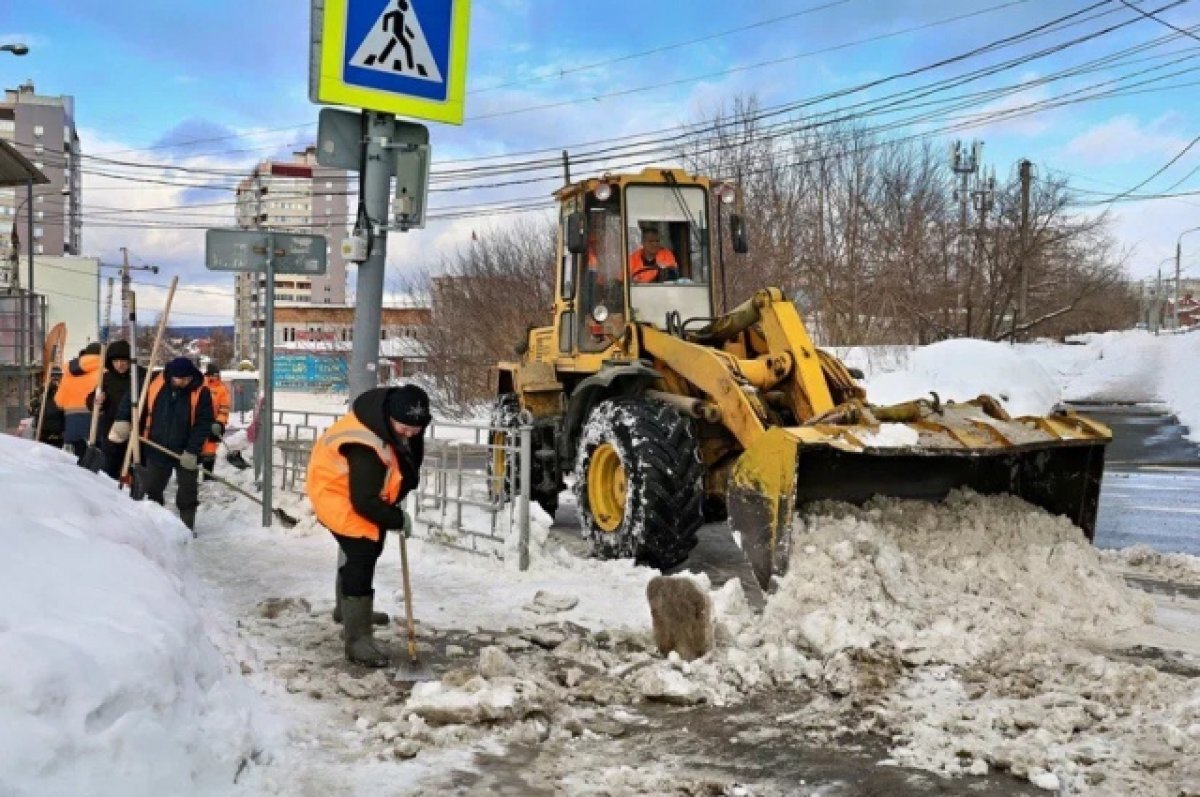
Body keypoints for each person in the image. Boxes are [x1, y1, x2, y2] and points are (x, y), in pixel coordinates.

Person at [306, 384, 430, 668]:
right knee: (363, 554)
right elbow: (364, 501)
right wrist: (397, 519)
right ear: (389, 418)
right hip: (338, 497)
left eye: (417, 428)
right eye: (405, 427)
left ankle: (347, 610)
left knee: (366, 552)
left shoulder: (384, 423)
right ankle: (357, 639)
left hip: (351, 491)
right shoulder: (365, 445)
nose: (410, 434)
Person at [110, 357, 214, 534]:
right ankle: (155, 528)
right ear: (171, 375)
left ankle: (187, 528)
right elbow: (131, 399)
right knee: (152, 488)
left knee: (187, 492)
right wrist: (122, 419)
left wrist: (192, 451)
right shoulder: (153, 382)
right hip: (155, 446)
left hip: (185, 451)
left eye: (187, 379)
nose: (183, 383)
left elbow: (203, 423)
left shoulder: (200, 391)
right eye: (179, 379)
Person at [95, 339, 146, 480]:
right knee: (110, 469)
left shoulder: (141, 376)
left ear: (130, 360)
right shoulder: (106, 378)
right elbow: (91, 398)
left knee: (135, 466)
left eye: (123, 360)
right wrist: (96, 400)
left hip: (137, 428)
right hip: (112, 430)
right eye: (115, 361)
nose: (119, 365)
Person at [56, 342, 104, 458]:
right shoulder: (104, 370)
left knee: (79, 461)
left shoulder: (69, 373)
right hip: (96, 421)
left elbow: (59, 401)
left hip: (72, 422)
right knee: (98, 463)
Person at [199, 363, 231, 476]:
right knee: (195, 449)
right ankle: (189, 477)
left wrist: (220, 422)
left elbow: (224, 408)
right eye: (212, 375)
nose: (214, 377)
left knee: (210, 450)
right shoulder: (200, 386)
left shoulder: (222, 389)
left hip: (213, 424)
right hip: (198, 423)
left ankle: (207, 475)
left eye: (217, 375)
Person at [29, 367, 65, 449]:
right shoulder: (40, 390)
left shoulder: (64, 391)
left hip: (58, 432)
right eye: (53, 376)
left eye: (58, 376)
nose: (55, 379)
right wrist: (43, 394)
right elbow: (31, 409)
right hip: (42, 431)